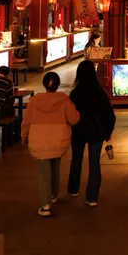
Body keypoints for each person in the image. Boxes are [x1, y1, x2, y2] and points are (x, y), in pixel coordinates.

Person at [22, 71, 80, 217]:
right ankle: (54, 195)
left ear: (44, 84)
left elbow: (26, 122)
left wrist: (24, 137)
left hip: (39, 139)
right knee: (55, 166)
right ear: (58, 84)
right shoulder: (64, 100)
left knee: (43, 172)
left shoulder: (34, 102)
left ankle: (45, 205)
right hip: (59, 138)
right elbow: (73, 119)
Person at [67, 60, 116, 207]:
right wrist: (108, 131)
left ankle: (73, 189)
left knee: (76, 159)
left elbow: (69, 114)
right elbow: (109, 114)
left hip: (78, 131)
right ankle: (92, 197)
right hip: (96, 131)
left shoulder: (75, 94)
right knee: (94, 163)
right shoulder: (100, 93)